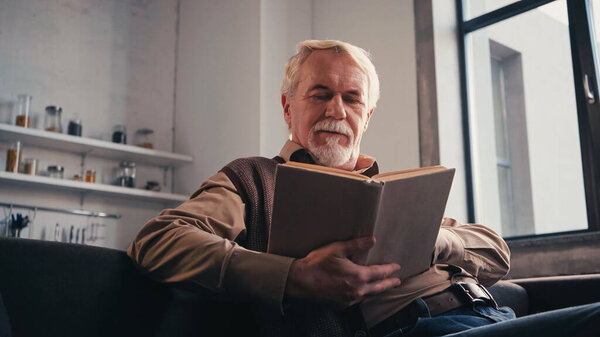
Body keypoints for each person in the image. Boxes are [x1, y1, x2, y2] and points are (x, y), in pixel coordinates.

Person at [128, 40, 600, 336]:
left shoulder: (396, 191)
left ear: (366, 115)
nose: (337, 109)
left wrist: (434, 238)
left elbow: (497, 252)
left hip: (491, 316)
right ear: (288, 107)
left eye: (352, 98)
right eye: (320, 94)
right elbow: (158, 239)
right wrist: (291, 278)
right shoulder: (253, 178)